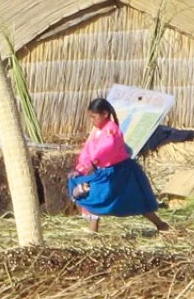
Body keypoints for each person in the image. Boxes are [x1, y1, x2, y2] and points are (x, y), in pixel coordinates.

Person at [69, 98, 169, 234]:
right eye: (90, 117)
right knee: (95, 195)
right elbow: (89, 149)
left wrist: (95, 162)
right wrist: (81, 167)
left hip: (119, 172)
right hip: (104, 171)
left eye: (93, 117)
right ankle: (93, 230)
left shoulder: (111, 130)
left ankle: (161, 225)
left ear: (104, 114)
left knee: (137, 200)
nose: (91, 120)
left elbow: (108, 148)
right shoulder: (98, 131)